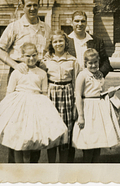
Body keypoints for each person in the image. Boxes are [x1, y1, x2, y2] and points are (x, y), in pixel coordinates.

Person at [0, 42, 67, 163]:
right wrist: (7, 112)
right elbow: (9, 92)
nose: (31, 58)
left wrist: (47, 111)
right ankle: (18, 168)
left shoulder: (42, 73)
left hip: (37, 106)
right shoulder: (16, 72)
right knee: (18, 137)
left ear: (37, 55)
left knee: (34, 136)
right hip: (19, 107)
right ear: (22, 56)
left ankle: (31, 167)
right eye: (28, 56)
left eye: (34, 55)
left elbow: (44, 93)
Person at [0, 0, 51, 163]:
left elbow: (47, 52)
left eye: (35, 5)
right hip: (19, 75)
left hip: (38, 77)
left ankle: (33, 168)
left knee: (36, 124)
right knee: (16, 124)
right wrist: (15, 65)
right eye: (29, 5)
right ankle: (14, 168)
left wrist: (45, 61)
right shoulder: (14, 26)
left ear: (39, 5)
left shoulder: (46, 28)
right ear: (23, 6)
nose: (32, 8)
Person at [72, 48, 120, 163]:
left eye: (95, 62)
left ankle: (95, 167)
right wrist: (80, 116)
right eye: (90, 63)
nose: (93, 65)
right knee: (89, 141)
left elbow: (100, 92)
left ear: (99, 62)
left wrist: (109, 93)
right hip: (87, 109)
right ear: (85, 63)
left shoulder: (100, 75)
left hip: (99, 110)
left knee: (99, 140)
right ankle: (87, 167)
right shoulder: (82, 75)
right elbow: (78, 95)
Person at [42, 30, 79, 163]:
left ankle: (63, 167)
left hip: (67, 95)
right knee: (51, 131)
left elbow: (76, 83)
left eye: (61, 41)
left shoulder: (73, 60)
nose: (58, 44)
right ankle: (51, 165)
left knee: (65, 131)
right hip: (51, 95)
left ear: (65, 42)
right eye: (55, 41)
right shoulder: (45, 60)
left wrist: (76, 105)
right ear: (51, 44)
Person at [68, 11, 113, 78]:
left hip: (91, 82)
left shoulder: (97, 41)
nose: (80, 24)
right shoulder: (65, 41)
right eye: (76, 21)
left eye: (82, 21)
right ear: (72, 23)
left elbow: (105, 62)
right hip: (71, 82)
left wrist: (100, 74)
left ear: (86, 23)